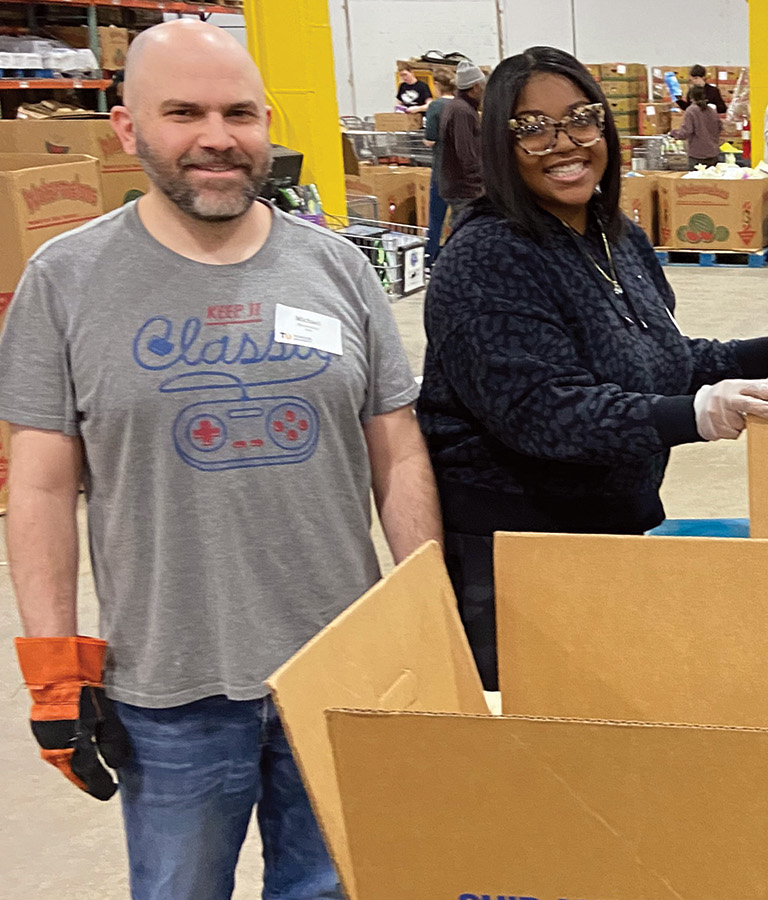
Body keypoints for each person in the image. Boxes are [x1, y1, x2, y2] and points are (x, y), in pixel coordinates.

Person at [0, 19, 440, 900]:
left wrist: (421, 621)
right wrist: (53, 672)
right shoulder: (67, 278)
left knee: (332, 888)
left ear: (267, 123)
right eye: (183, 112)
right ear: (128, 129)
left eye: (238, 112)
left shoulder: (336, 267)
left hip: (335, 671)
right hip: (169, 685)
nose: (215, 137)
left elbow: (395, 449)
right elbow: (42, 485)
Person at [419, 47, 768, 690]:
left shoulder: (614, 236)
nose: (564, 143)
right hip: (514, 554)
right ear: (499, 143)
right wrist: (695, 416)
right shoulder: (485, 257)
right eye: (533, 128)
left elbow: (658, 358)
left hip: (607, 528)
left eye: (580, 120)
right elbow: (545, 413)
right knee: (533, 757)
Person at [438, 59, 487, 238]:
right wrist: (480, 182)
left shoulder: (457, 107)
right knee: (465, 233)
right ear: (474, 88)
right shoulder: (462, 111)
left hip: (457, 186)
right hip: (464, 189)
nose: (484, 91)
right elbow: (466, 152)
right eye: (482, 86)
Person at [422, 68, 456, 265]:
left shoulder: (436, 106)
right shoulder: (464, 106)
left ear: (437, 85)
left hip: (441, 169)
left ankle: (430, 258)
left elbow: (430, 139)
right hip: (461, 172)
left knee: (436, 217)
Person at [670, 84, 722, 169]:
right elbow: (719, 127)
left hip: (697, 155)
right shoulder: (711, 110)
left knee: (695, 181)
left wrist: (673, 133)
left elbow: (686, 131)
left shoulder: (691, 111)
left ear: (690, 97)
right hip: (713, 153)